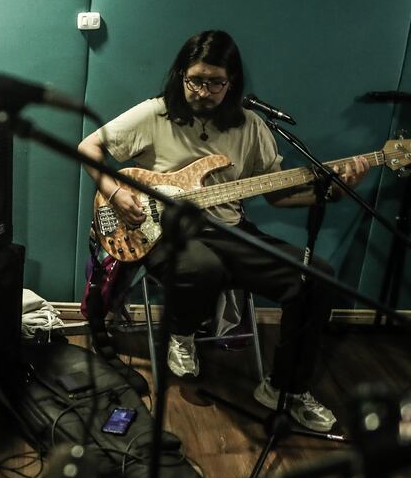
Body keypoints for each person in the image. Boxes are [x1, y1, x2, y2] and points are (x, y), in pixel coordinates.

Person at [78, 30, 369, 432]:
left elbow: (278, 196)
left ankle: (285, 388)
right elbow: (88, 146)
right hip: (164, 233)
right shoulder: (155, 114)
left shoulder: (250, 126)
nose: (204, 91)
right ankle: (181, 333)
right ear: (181, 75)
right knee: (202, 266)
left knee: (316, 277)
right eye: (195, 79)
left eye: (216, 82)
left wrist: (332, 191)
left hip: (231, 231)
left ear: (232, 83)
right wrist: (112, 192)